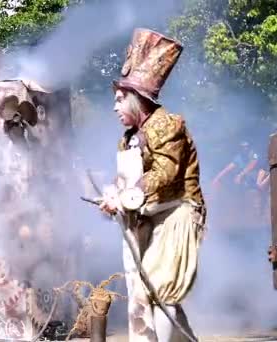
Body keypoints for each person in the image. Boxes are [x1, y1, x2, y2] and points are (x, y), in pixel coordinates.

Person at [98, 28, 207, 342]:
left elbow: (165, 172)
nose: (115, 107)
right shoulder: (128, 138)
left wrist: (126, 197)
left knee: (160, 288)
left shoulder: (166, 124)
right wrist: (112, 196)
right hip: (149, 215)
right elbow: (128, 181)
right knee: (145, 290)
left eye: (120, 99)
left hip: (178, 215)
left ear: (135, 100)